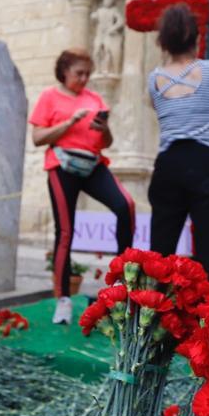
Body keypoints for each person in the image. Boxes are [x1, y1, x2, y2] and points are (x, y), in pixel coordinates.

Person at [30, 49, 134, 325]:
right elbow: (38, 138)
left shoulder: (95, 98)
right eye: (79, 73)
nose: (84, 78)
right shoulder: (49, 97)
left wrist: (104, 129)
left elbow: (105, 143)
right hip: (62, 165)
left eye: (88, 73)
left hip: (92, 164)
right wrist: (71, 121)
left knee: (126, 206)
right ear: (64, 72)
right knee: (65, 231)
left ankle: (123, 285)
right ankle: (63, 299)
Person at [146, 5, 209, 281]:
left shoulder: (154, 78)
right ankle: (208, 319)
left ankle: (156, 314)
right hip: (207, 164)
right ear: (196, 38)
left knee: (161, 250)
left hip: (169, 164)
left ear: (164, 41)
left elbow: (154, 105)